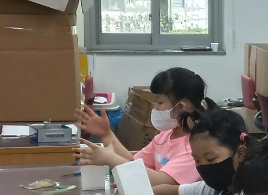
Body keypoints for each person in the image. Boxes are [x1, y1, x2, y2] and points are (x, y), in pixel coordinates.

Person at [105, 109, 256, 195]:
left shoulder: (252, 194)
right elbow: (173, 194)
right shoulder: (216, 190)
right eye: (197, 160)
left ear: (241, 153)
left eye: (210, 159)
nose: (204, 167)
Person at [76, 67, 214, 185]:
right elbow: (133, 163)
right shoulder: (166, 135)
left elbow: (160, 180)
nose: (155, 108)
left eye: (160, 103)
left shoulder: (194, 147)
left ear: (181, 107)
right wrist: (106, 134)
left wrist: (110, 158)